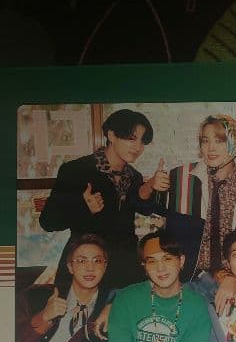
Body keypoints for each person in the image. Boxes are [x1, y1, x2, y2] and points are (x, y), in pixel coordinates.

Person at [39, 108, 167, 294]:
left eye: (142, 141)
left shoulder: (134, 177)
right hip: (86, 268)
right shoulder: (76, 170)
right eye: (131, 138)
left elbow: (143, 210)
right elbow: (48, 221)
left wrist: (150, 186)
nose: (138, 147)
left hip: (125, 270)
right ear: (111, 135)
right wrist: (83, 207)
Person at [159, 114, 236, 280]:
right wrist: (149, 187)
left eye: (219, 141)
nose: (211, 148)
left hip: (232, 278)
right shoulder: (179, 178)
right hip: (184, 278)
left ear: (235, 144)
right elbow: (147, 215)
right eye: (205, 140)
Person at [107, 230, 212, 342]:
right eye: (152, 261)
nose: (160, 268)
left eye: (167, 259)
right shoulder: (125, 300)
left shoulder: (197, 305)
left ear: (181, 261)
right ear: (144, 266)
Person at [16, 234, 111, 342]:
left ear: (105, 267)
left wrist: (113, 306)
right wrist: (44, 317)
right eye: (81, 261)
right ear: (70, 267)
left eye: (97, 261)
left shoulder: (112, 304)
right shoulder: (35, 295)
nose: (90, 268)